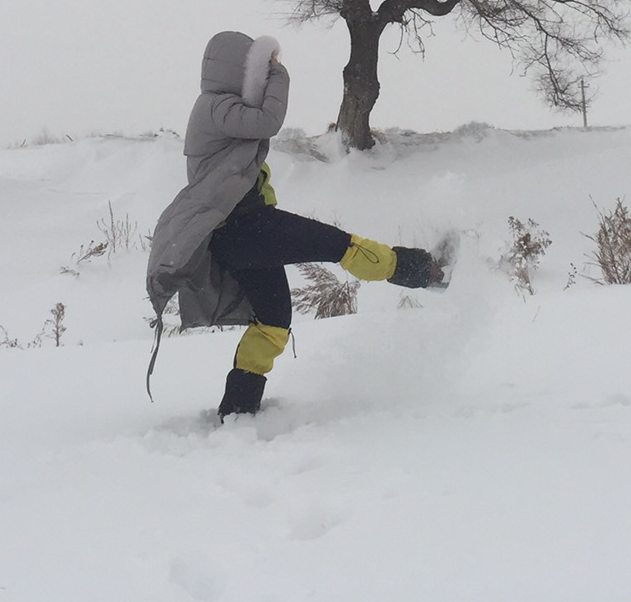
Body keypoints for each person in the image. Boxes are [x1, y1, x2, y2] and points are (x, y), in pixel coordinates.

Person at [145, 30, 443, 418]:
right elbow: (269, 120)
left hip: (242, 232)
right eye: (255, 68)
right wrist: (277, 73)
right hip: (245, 228)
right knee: (343, 245)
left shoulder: (221, 112)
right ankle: (428, 270)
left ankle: (238, 410)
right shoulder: (214, 107)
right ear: (239, 68)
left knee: (273, 322)